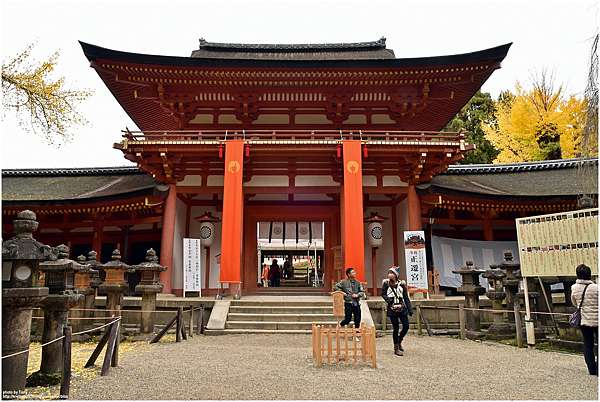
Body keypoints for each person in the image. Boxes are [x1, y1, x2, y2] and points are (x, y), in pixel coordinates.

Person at [570, 264, 598, 376]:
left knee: (588, 344)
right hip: (597, 319)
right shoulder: (596, 288)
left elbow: (574, 303)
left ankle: (592, 369)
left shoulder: (574, 288)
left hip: (584, 320)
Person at [381, 267, 412, 356]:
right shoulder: (386, 283)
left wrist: (409, 309)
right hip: (392, 308)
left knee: (406, 326)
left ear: (396, 275)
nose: (390, 274)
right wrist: (388, 300)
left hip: (402, 307)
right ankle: (396, 348)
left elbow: (406, 297)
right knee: (396, 328)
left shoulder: (402, 284)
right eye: (389, 272)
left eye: (392, 273)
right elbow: (383, 294)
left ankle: (399, 340)